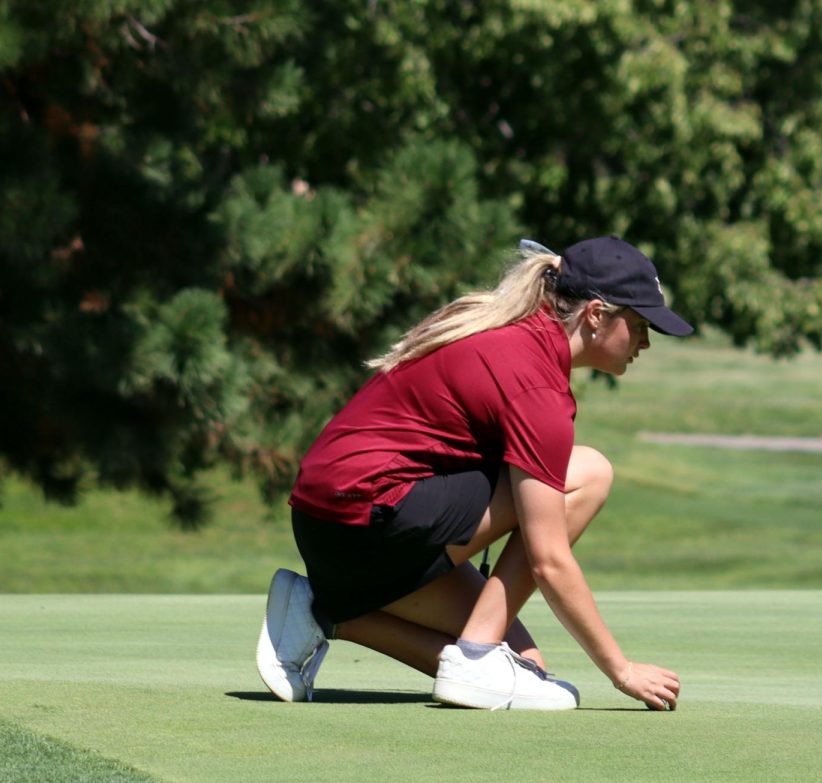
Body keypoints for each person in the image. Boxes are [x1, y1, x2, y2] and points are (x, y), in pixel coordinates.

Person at [256, 235, 691, 711]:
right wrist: (621, 670)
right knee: (590, 472)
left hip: (330, 527)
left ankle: (324, 613)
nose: (646, 342)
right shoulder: (536, 383)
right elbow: (548, 558)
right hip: (370, 520)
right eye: (640, 324)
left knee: (529, 669)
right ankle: (476, 654)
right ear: (595, 314)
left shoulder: (513, 333)